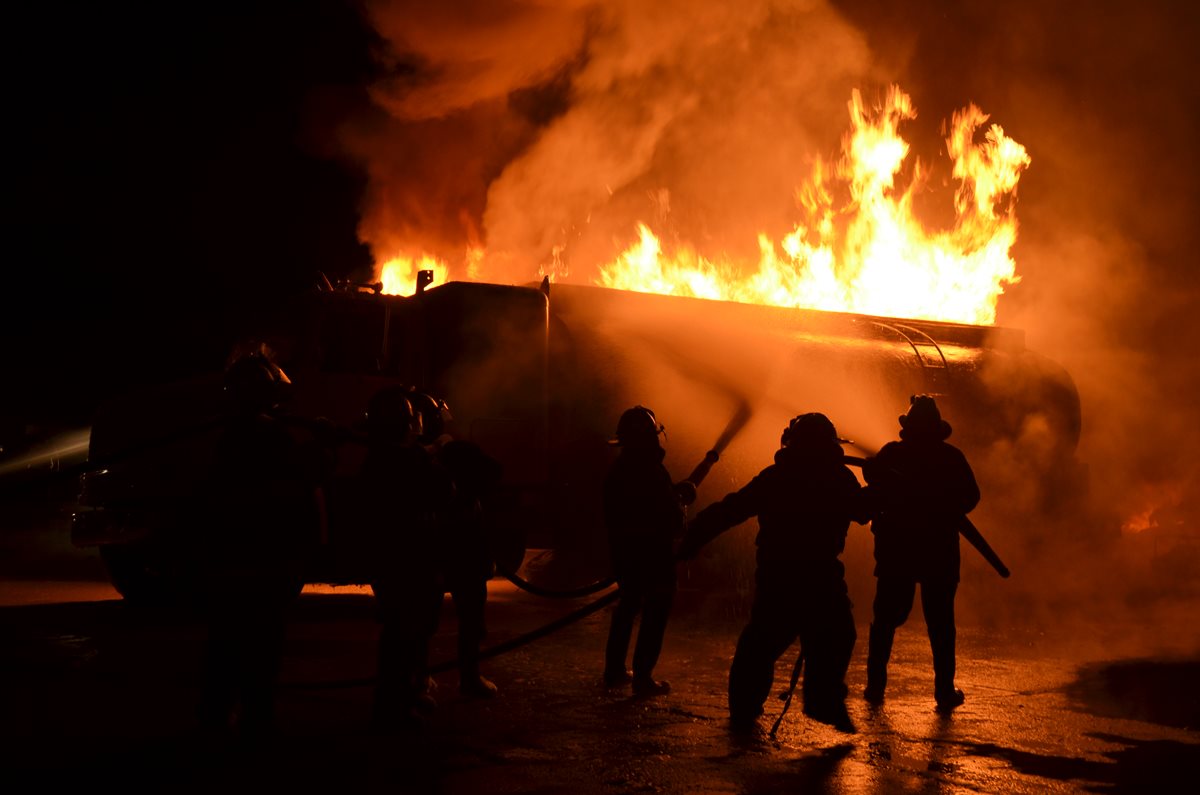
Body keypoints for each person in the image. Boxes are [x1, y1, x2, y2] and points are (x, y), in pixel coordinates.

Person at [677, 413, 869, 733]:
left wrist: (694, 538)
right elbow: (864, 511)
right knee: (827, 634)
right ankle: (818, 701)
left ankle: (751, 708)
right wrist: (881, 485)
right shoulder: (837, 477)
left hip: (785, 573)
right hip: (811, 574)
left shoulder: (780, 476)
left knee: (768, 641)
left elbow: (731, 510)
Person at [196, 348, 322, 749]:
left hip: (227, 560)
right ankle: (256, 723)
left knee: (224, 645)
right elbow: (301, 483)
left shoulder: (223, 435)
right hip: (264, 561)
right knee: (261, 649)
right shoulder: (271, 435)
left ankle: (214, 721)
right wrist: (323, 446)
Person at [861, 394, 981, 711]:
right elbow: (971, 497)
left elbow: (874, 491)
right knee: (940, 624)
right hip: (937, 553)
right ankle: (943, 691)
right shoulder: (951, 457)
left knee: (885, 620)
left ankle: (875, 687)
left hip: (896, 551)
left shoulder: (892, 454)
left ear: (908, 427)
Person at [357, 385, 456, 732]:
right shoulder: (409, 461)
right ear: (408, 424)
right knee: (406, 634)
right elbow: (444, 491)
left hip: (394, 561)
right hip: (412, 563)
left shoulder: (379, 460)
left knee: (405, 632)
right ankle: (394, 707)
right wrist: (436, 454)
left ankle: (405, 696)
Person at [408, 390, 504, 699]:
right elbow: (493, 474)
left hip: (435, 551)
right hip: (457, 550)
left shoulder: (411, 458)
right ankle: (467, 677)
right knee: (463, 618)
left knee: (426, 621)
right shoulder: (439, 454)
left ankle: (421, 681)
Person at [602, 405, 691, 696]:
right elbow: (668, 515)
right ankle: (643, 677)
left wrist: (674, 493)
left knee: (628, 606)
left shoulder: (621, 469)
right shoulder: (651, 469)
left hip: (626, 552)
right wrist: (680, 505)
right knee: (656, 610)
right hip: (654, 554)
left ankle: (614, 671)